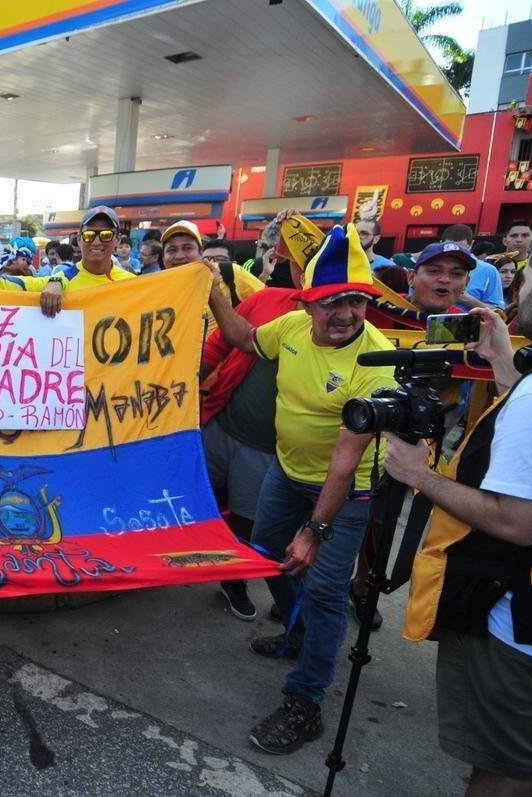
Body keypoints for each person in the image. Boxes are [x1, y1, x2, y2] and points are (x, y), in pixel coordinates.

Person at [208, 224, 398, 754]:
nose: (345, 313)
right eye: (331, 302)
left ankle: (305, 701)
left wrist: (315, 532)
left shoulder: (376, 364)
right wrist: (216, 294)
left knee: (325, 590)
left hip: (347, 490)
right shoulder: (290, 326)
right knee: (268, 556)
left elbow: (344, 462)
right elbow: (245, 338)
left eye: (356, 301)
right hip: (286, 473)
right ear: (307, 304)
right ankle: (299, 635)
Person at [387, 276, 532, 795]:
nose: (521, 289)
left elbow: (517, 521)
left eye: (530, 276)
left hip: (514, 627)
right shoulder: (528, 385)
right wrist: (502, 365)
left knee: (504, 772)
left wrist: (419, 475)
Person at [201, 244, 302, 623]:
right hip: (220, 423)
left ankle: (234, 579)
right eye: (305, 264)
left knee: (247, 519)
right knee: (197, 499)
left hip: (266, 449)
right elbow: (224, 342)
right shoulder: (269, 299)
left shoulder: (352, 326)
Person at [57, 207, 136, 288]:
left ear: (118, 239)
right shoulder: (57, 284)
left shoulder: (130, 284)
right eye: (88, 235)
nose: (96, 242)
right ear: (79, 239)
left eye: (106, 235)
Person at [442, 225, 504, 310]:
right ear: (440, 244)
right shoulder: (429, 267)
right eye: (449, 248)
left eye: (461, 249)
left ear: (471, 244)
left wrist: (467, 299)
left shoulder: (488, 271)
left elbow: (499, 313)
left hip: (471, 322)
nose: (454, 253)